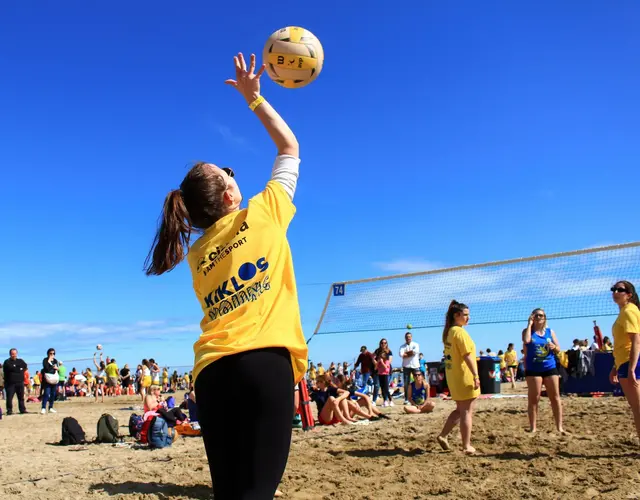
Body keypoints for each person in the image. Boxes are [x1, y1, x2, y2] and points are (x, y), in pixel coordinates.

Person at [143, 52, 308, 500]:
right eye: (228, 171)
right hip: (262, 364)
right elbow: (290, 147)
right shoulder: (265, 210)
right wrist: (255, 100)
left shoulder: (197, 255)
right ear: (231, 192)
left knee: (230, 494)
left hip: (212, 373)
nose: (234, 174)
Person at [437, 301, 480, 454]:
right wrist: (475, 375)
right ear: (457, 315)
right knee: (467, 411)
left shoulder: (449, 331)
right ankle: (466, 445)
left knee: (460, 409)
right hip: (464, 376)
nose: (468, 317)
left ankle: (443, 435)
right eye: (465, 315)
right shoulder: (459, 332)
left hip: (454, 376)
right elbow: (467, 356)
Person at [522, 308, 564, 434]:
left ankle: (559, 427)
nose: (539, 317)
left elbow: (558, 349)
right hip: (533, 368)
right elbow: (526, 341)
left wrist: (554, 347)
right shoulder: (527, 331)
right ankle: (533, 428)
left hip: (550, 367)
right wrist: (529, 325)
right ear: (532, 317)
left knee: (555, 398)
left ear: (545, 318)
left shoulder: (550, 332)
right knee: (534, 398)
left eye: (541, 315)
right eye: (536, 315)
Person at [609, 281, 640, 443]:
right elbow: (623, 343)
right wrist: (615, 367)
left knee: (638, 407)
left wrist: (632, 368)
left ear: (629, 294)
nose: (615, 292)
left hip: (632, 361)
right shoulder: (624, 312)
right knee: (636, 408)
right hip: (624, 361)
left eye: (619, 290)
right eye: (613, 289)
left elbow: (636, 340)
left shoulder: (629, 311)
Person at [3, 348, 28, 415]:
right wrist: (19, 368)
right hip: (10, 383)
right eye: (12, 354)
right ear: (10, 354)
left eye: (15, 353)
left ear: (17, 353)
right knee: (9, 398)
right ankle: (9, 410)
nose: (14, 355)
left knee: (21, 397)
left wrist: (17, 368)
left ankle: (22, 409)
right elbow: (10, 368)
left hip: (20, 382)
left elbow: (25, 366)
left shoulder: (20, 361)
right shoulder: (7, 362)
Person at [399, 332, 420, 405]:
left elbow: (415, 352)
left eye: (409, 336)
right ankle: (407, 399)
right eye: (407, 337)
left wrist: (406, 354)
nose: (408, 338)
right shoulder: (402, 346)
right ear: (405, 338)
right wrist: (410, 353)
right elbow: (401, 355)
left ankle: (418, 397)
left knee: (418, 382)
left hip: (415, 365)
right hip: (406, 366)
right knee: (406, 383)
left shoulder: (416, 344)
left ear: (411, 337)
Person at [41, 348, 59, 414]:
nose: (52, 355)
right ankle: (43, 408)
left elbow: (57, 368)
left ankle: (50, 407)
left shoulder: (55, 361)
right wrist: (49, 361)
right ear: (48, 354)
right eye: (50, 353)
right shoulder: (45, 360)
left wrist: (56, 368)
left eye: (53, 353)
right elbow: (46, 368)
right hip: (47, 380)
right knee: (46, 393)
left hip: (54, 379)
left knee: (53, 394)